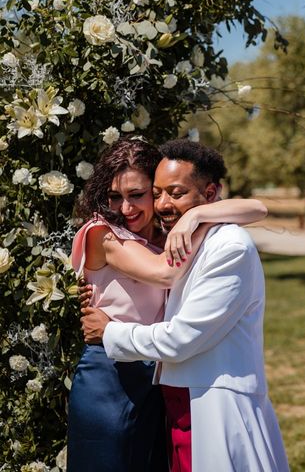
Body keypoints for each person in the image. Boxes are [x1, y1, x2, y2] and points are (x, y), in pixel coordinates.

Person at [80, 139, 289, 472]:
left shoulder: (218, 245)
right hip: (135, 381)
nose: (161, 204)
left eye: (173, 193)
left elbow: (181, 337)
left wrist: (197, 217)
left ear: (209, 194)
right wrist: (195, 218)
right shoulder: (117, 235)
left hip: (206, 398)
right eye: (159, 192)